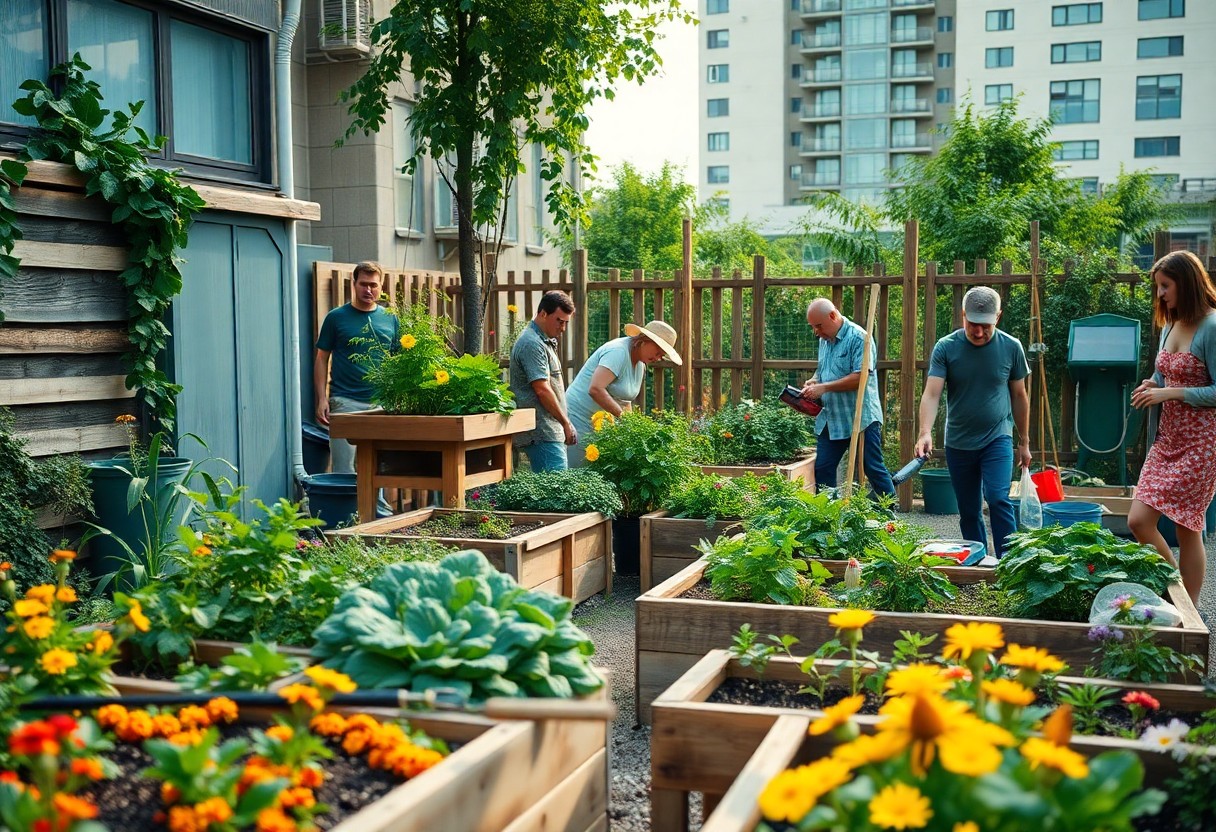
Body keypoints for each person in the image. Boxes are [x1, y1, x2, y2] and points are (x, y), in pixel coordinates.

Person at [915, 286, 1031, 558]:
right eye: (972, 324)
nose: (978, 332)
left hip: (997, 437)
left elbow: (1019, 395)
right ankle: (980, 563)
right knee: (968, 511)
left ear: (998, 318)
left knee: (998, 498)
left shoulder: (1011, 347)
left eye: (985, 325)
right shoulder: (946, 347)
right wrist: (924, 432)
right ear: (963, 314)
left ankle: (1009, 564)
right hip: (959, 442)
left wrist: (1024, 442)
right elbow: (932, 393)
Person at [1128, 250, 1216, 605]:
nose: (1160, 294)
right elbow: (1162, 374)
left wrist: (1170, 392)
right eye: (1158, 287)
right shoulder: (1170, 324)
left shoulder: (1212, 326)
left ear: (1187, 283)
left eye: (1166, 286)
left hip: (1203, 443)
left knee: (1187, 526)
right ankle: (1175, 595)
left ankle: (1190, 610)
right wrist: (1152, 385)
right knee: (1139, 521)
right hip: (1167, 441)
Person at [314, 261, 397, 514]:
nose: (368, 290)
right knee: (344, 470)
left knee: (379, 468)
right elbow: (321, 358)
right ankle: (345, 523)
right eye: (364, 284)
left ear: (381, 287)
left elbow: (398, 362)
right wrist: (322, 398)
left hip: (381, 405)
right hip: (345, 401)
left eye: (374, 285)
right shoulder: (336, 318)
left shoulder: (390, 319)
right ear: (354, 284)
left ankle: (379, 523)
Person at [800, 298, 895, 497]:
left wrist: (824, 388)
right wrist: (814, 381)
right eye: (812, 327)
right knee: (823, 468)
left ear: (833, 316)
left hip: (861, 417)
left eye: (818, 326)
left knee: (872, 468)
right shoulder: (824, 340)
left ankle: (889, 517)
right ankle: (829, 519)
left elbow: (859, 378)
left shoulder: (859, 338)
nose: (816, 331)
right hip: (833, 417)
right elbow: (822, 370)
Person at [565, 320, 683, 467]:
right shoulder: (618, 352)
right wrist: (622, 417)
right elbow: (595, 389)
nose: (658, 358)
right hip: (578, 419)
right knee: (577, 474)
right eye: (658, 351)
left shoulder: (641, 365)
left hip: (600, 426)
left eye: (662, 355)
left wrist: (632, 429)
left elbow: (625, 402)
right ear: (644, 341)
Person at [509, 291, 578, 472]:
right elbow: (542, 389)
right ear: (543, 314)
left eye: (566, 323)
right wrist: (566, 423)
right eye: (559, 321)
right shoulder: (532, 344)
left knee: (554, 491)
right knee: (557, 492)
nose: (563, 328)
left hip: (548, 430)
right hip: (541, 432)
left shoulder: (542, 341)